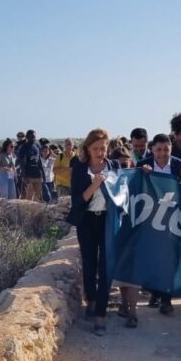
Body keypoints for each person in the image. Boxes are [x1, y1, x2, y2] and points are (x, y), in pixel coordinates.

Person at [68, 128, 120, 335]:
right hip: (87, 221)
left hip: (107, 221)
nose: (100, 152)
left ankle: (100, 315)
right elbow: (78, 200)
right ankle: (91, 299)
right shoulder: (80, 169)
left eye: (103, 148)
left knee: (106, 266)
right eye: (96, 148)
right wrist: (94, 184)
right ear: (88, 149)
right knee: (89, 264)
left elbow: (124, 186)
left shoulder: (114, 166)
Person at [140, 134, 181, 314]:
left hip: (173, 218)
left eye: (165, 149)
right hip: (150, 219)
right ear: (152, 150)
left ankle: (166, 299)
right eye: (158, 150)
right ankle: (155, 292)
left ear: (171, 149)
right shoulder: (143, 166)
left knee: (169, 259)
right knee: (153, 259)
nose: (162, 153)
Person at [19, 129, 44, 200]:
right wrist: (23, 175)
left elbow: (39, 160)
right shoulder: (23, 148)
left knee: (38, 197)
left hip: (38, 175)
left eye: (34, 137)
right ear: (27, 137)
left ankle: (36, 211)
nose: (33, 138)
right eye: (31, 137)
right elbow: (22, 163)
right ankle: (26, 211)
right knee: (28, 197)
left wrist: (43, 173)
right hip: (28, 176)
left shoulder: (37, 145)